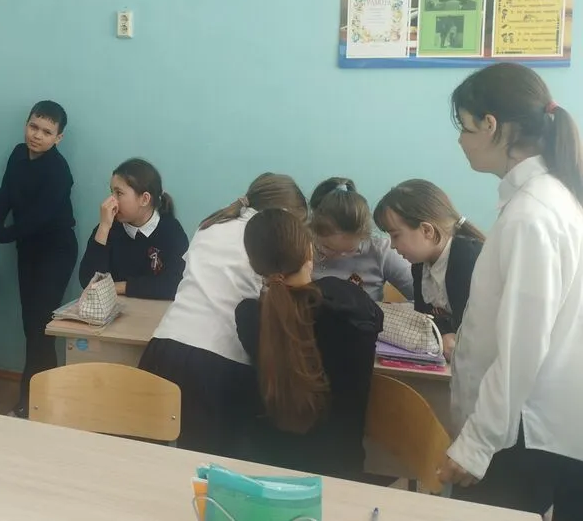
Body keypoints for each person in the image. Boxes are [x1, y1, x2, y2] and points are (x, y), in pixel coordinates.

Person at [437, 63, 583, 517]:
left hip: (520, 434)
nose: (461, 141)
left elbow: (522, 347)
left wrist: (477, 444)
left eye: (464, 128)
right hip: (533, 427)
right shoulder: (552, 199)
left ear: (490, 125)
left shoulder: (532, 213)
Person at [139, 173, 307, 457]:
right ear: (283, 214)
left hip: (165, 347)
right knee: (208, 468)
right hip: (219, 364)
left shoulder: (211, 224)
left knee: (153, 458)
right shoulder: (268, 236)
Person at [235, 208, 383, 479]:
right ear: (309, 251)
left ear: (254, 264)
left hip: (268, 471)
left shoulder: (249, 316)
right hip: (341, 472)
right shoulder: (350, 302)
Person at [0, 101, 76, 417]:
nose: (37, 135)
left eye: (46, 132)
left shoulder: (59, 171)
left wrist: (1, 234)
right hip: (28, 248)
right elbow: (6, 194)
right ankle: (42, 398)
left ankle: (31, 401)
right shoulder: (18, 155)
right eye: (33, 127)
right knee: (31, 326)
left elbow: (37, 219)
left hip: (56, 249)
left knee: (40, 326)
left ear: (58, 138)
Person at [373, 179, 485, 359]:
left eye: (396, 235)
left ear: (427, 230)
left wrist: (448, 335)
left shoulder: (467, 259)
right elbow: (424, 318)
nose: (392, 245)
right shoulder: (420, 265)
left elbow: (474, 328)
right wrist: (444, 333)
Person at [78, 158, 188, 300]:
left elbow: (175, 284)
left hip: (156, 309)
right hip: (117, 307)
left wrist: (121, 287)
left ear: (145, 199)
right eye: (111, 192)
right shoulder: (109, 227)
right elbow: (88, 281)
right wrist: (103, 228)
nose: (111, 201)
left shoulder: (171, 231)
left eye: (119, 193)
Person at [309, 177, 414, 302]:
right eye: (328, 248)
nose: (340, 256)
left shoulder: (380, 250)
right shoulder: (302, 249)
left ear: (365, 236)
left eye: (350, 250)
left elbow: (423, 298)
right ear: (313, 233)